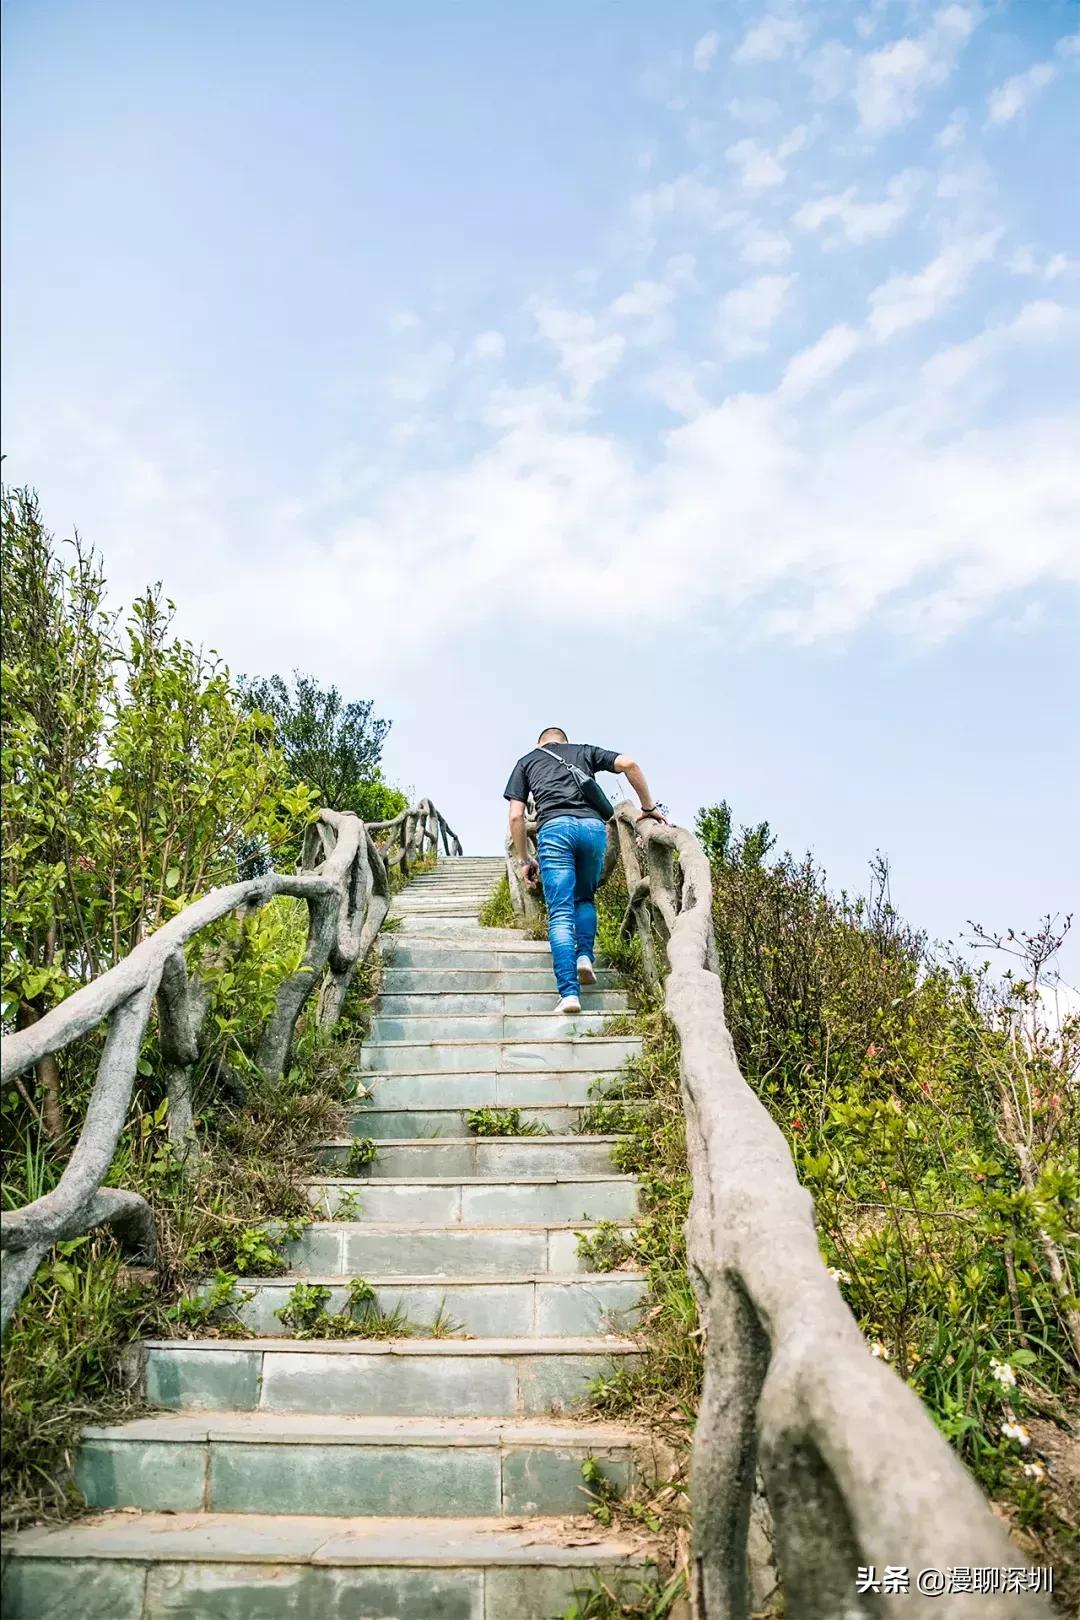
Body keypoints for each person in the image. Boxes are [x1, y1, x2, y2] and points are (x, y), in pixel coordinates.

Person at [503, 728, 667, 1013]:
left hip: (554, 830)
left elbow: (517, 816)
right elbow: (630, 764)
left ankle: (569, 994)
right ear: (565, 741)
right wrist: (648, 807)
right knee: (584, 898)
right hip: (592, 829)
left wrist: (524, 859)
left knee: (560, 912)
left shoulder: (527, 761)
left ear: (539, 743)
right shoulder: (584, 751)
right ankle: (584, 957)